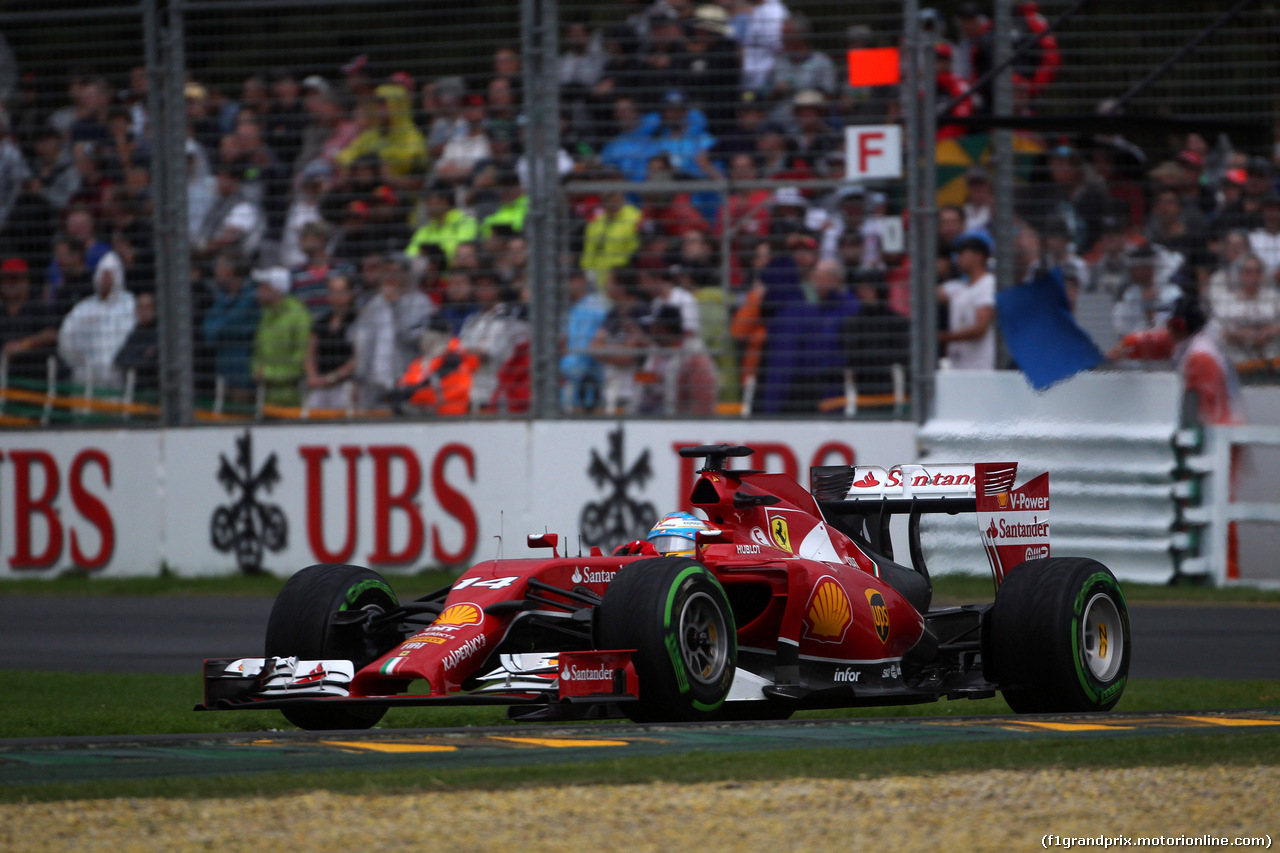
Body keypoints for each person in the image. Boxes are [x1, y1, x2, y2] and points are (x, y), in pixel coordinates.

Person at [57, 251, 136, 389]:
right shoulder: (85, 307)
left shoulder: (129, 305)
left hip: (116, 380)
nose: (106, 279)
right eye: (104, 274)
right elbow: (66, 338)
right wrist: (80, 364)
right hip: (86, 380)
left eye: (110, 274)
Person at [202, 248, 260, 402]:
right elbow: (208, 328)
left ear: (232, 269)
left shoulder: (251, 297)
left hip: (243, 371)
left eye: (220, 266)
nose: (216, 270)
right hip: (222, 369)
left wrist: (219, 327)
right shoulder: (222, 296)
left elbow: (233, 326)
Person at [250, 266, 311, 407]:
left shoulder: (298, 315)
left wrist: (268, 374)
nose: (258, 291)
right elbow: (257, 351)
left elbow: (300, 358)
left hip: (292, 398)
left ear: (275, 289)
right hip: (265, 397)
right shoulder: (265, 314)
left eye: (263, 287)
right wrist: (256, 370)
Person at [937, 235, 996, 369]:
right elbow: (927, 296)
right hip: (957, 366)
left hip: (980, 367)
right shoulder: (958, 287)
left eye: (962, 254)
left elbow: (980, 329)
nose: (958, 259)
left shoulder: (988, 283)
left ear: (978, 256)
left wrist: (943, 337)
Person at [304, 273, 359, 410]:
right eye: (332, 291)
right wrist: (312, 377)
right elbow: (310, 353)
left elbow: (357, 358)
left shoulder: (357, 321)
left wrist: (330, 379)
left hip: (345, 386)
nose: (336, 296)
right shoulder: (321, 321)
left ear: (350, 294)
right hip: (319, 385)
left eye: (341, 291)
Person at [0, 258, 59, 384]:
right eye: (6, 278)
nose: (11, 283)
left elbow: (51, 333)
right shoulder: (2, 310)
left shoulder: (37, 306)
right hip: (7, 382)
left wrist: (23, 344)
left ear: (25, 281)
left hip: (36, 380)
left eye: (15, 278)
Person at [112, 290, 159, 392]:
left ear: (154, 309)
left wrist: (136, 358)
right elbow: (119, 359)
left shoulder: (160, 333)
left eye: (147, 307)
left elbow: (153, 363)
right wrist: (143, 356)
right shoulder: (136, 332)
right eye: (141, 307)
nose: (144, 311)